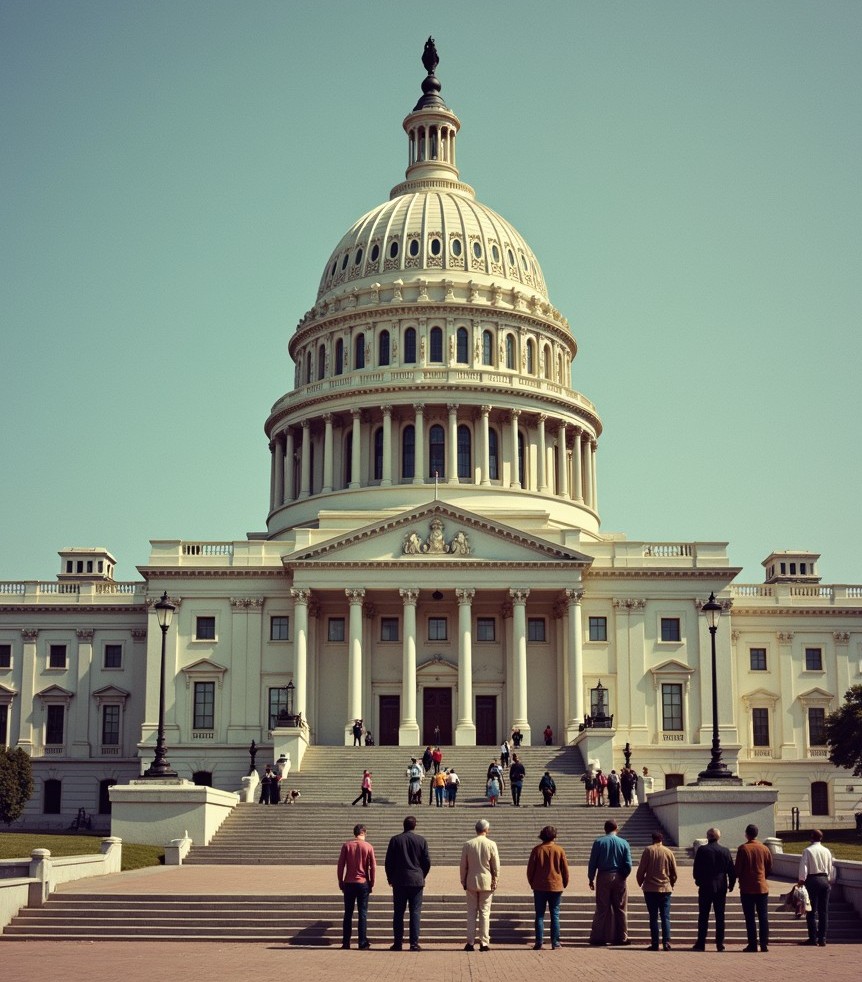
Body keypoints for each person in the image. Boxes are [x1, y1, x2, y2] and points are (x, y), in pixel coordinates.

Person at [384, 815, 431, 951]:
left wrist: (390, 878)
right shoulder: (421, 840)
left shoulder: (395, 840)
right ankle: (414, 943)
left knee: (398, 912)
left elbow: (388, 862)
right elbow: (427, 862)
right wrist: (422, 875)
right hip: (416, 881)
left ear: (403, 825)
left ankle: (398, 943)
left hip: (399, 881)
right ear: (414, 826)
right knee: (415, 912)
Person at [587, 818, 633, 946]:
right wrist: (623, 875)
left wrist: (591, 878)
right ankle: (622, 937)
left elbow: (593, 862)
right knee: (621, 908)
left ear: (605, 829)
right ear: (616, 829)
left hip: (603, 876)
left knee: (602, 908)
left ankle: (597, 937)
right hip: (619, 876)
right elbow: (628, 864)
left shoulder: (598, 842)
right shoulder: (624, 843)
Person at [691, 827, 736, 951]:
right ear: (718, 837)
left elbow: (696, 869)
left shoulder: (702, 850)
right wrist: (731, 885)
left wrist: (698, 881)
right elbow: (731, 871)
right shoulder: (725, 851)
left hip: (705, 886)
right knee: (720, 916)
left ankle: (701, 943)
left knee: (703, 916)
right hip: (721, 887)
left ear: (707, 836)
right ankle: (719, 943)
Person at [460, 818, 500, 951]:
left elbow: (463, 866)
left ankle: (470, 942)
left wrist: (463, 880)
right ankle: (484, 943)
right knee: (485, 912)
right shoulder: (491, 844)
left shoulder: (468, 844)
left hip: (471, 880)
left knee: (471, 912)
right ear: (486, 830)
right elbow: (496, 866)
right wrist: (496, 880)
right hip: (486, 882)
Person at [527, 824, 569, 949]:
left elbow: (530, 870)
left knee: (539, 915)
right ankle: (555, 942)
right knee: (555, 914)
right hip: (556, 886)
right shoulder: (559, 850)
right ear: (554, 836)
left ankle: (539, 942)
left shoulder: (537, 850)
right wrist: (564, 883)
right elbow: (565, 869)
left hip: (539, 886)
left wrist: (532, 882)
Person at [636, 831, 678, 951]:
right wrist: (672, 883)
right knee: (665, 916)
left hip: (650, 888)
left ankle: (655, 943)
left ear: (652, 839)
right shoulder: (668, 852)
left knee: (653, 916)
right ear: (662, 839)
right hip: (665, 888)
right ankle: (666, 942)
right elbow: (674, 872)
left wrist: (641, 882)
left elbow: (641, 870)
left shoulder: (648, 850)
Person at [337, 823, 377, 949]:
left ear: (355, 833)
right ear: (364, 832)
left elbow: (341, 865)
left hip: (349, 882)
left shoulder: (346, 846)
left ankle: (346, 942)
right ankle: (362, 942)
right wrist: (372, 882)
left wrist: (340, 880)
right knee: (362, 913)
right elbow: (373, 867)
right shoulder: (368, 847)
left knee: (348, 913)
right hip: (362, 883)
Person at [735, 823, 773, 953]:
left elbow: (738, 869)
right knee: (763, 916)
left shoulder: (743, 849)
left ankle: (752, 944)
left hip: (747, 888)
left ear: (746, 834)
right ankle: (764, 943)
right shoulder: (764, 849)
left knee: (750, 917)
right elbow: (769, 867)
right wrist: (762, 876)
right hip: (762, 887)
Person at [797, 829, 836, 946]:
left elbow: (804, 867)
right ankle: (822, 938)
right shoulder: (827, 851)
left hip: (812, 880)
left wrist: (801, 881)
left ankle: (813, 938)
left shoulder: (807, 851)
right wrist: (829, 880)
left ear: (812, 837)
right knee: (824, 911)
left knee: (811, 911)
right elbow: (830, 867)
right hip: (824, 880)